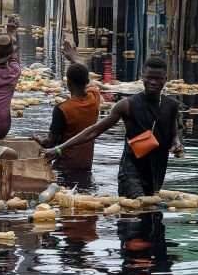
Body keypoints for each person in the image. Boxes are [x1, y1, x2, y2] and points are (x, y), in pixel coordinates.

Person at [43, 55, 184, 198]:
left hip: (156, 172)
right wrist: (59, 149)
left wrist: (176, 145)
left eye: (158, 78)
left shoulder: (171, 106)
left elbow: (173, 134)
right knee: (135, 212)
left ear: (165, 79)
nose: (153, 82)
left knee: (151, 215)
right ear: (142, 77)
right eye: (149, 77)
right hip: (131, 173)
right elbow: (94, 131)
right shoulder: (127, 105)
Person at [34, 51, 101, 174]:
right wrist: (73, 59)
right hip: (86, 165)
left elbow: (50, 143)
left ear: (68, 84)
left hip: (64, 166)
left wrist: (36, 139)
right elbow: (89, 81)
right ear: (86, 82)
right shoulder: (95, 97)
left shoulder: (62, 109)